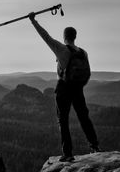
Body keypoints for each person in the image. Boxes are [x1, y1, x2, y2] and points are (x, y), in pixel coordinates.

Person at [28, 13, 100, 162]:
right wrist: (79, 85)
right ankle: (95, 147)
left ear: (64, 36)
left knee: (63, 120)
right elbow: (88, 72)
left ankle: (67, 154)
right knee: (84, 118)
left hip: (63, 88)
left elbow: (45, 36)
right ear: (75, 36)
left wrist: (33, 21)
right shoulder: (83, 52)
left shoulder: (61, 49)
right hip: (78, 89)